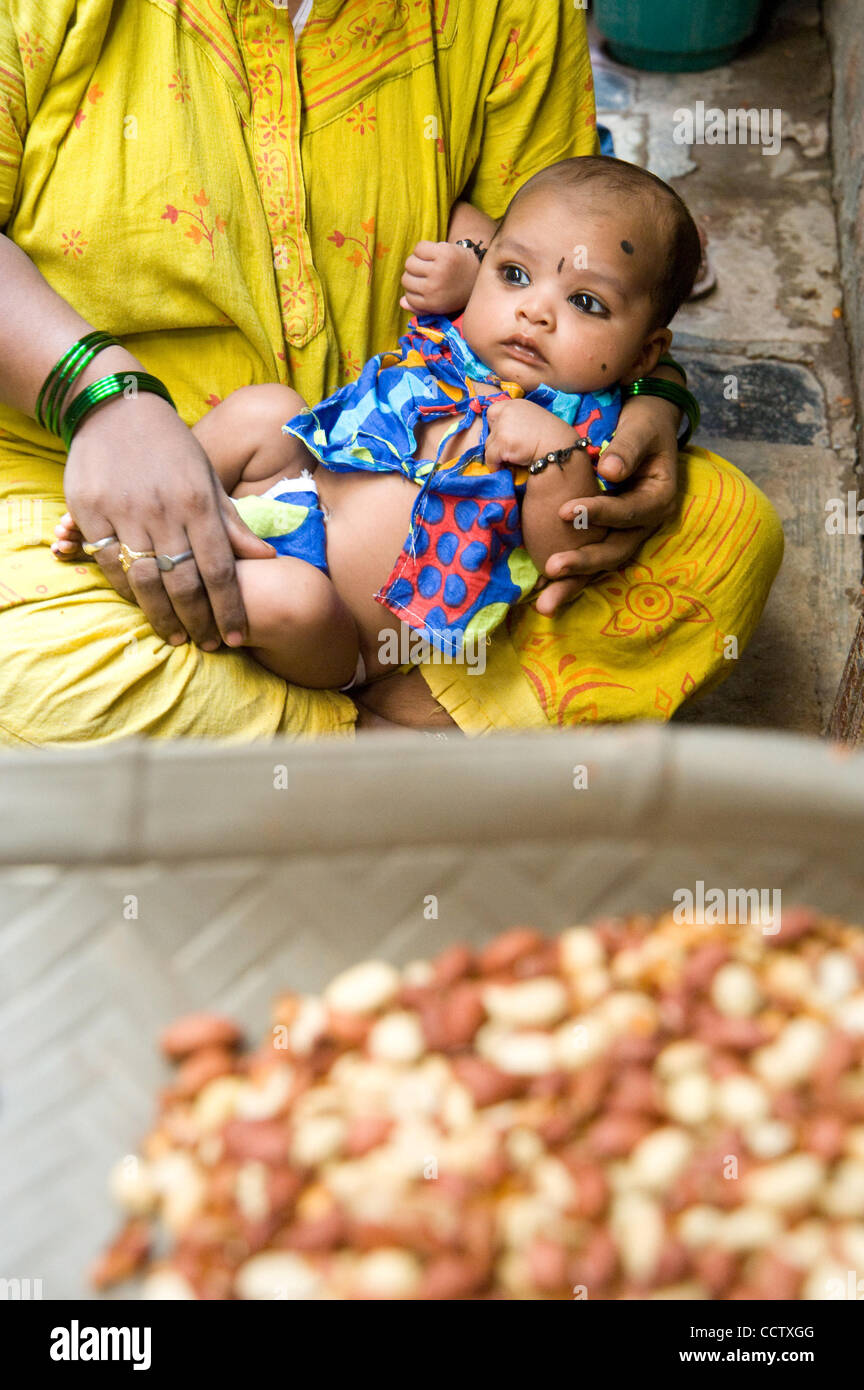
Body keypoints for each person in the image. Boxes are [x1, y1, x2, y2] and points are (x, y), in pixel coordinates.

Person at [0, 1, 782, 744]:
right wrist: (104, 400)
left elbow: (580, 236)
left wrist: (651, 399)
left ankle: (299, 744)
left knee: (731, 535)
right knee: (41, 674)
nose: (540, 308)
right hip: (71, 456)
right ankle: (398, 753)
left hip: (396, 566)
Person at [55, 157, 702, 696]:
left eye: (586, 303)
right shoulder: (460, 340)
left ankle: (174, 568)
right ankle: (145, 500)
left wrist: (552, 454)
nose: (535, 310)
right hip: (294, 494)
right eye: (515, 275)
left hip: (341, 624)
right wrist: (467, 264)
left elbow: (564, 550)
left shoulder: (584, 429)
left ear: (647, 354)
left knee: (293, 599)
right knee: (268, 408)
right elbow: (466, 210)